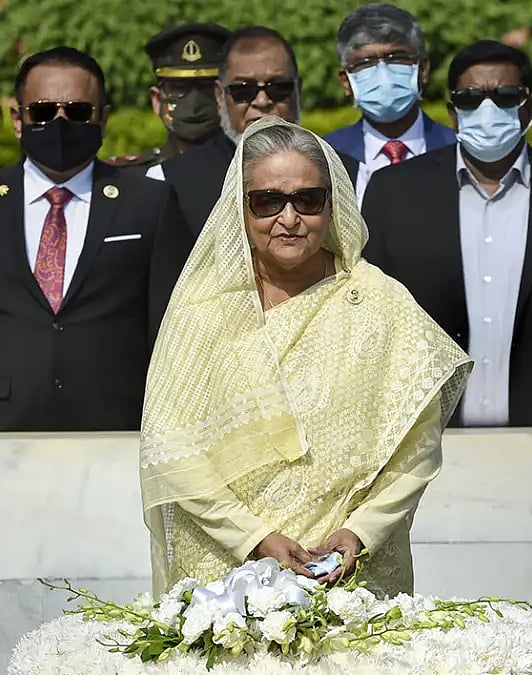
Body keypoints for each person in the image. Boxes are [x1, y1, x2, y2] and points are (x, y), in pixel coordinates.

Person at [139, 115, 472, 598]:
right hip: (224, 576)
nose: (289, 219)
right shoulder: (204, 310)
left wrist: (361, 531)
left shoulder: (380, 302)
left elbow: (416, 447)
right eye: (268, 201)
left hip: (349, 572)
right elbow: (168, 446)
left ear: (332, 205)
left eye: (308, 200)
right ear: (241, 209)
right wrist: (252, 537)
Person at [361, 40, 532, 428]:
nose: (488, 109)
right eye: (470, 98)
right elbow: (369, 323)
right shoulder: (394, 194)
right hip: (426, 444)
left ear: (528, 107)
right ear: (452, 113)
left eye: (505, 95)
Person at [0, 46, 194, 432]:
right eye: (42, 111)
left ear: (102, 119)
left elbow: (170, 331)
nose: (59, 121)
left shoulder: (149, 203)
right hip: (1, 428)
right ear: (18, 120)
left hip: (114, 430)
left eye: (77, 111)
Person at [150, 26, 360, 237]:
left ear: (298, 91)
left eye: (278, 88)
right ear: (220, 96)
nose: (262, 101)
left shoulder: (347, 174)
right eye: (244, 91)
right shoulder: (169, 181)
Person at [323, 3, 456, 205]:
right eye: (365, 62)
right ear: (345, 81)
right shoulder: (326, 157)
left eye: (397, 58)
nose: (383, 74)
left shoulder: (458, 149)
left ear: (423, 69)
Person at [104, 22, 232, 171]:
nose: (194, 103)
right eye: (178, 88)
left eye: (207, 88)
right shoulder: (127, 178)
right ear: (156, 99)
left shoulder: (252, 173)